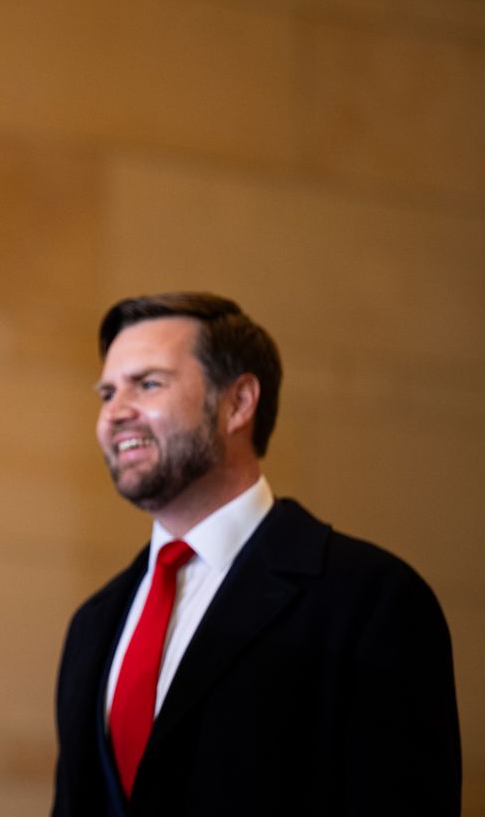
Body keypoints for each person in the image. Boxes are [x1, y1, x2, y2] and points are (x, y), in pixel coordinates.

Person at [51, 292, 460, 816]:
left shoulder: (371, 600)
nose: (116, 413)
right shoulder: (94, 623)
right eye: (107, 392)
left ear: (239, 403)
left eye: (148, 383)